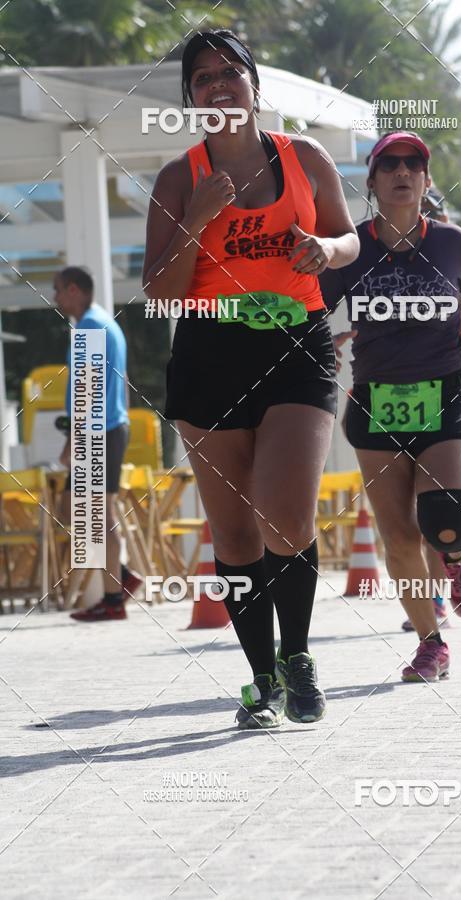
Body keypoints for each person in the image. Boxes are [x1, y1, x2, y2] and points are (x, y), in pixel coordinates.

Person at [143, 30, 359, 728]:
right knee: (234, 538)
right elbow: (162, 292)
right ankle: (259, 678)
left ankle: (297, 658)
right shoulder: (180, 178)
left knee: (285, 514)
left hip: (296, 346)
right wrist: (198, 221)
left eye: (230, 71)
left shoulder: (307, 157)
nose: (218, 84)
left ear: (253, 84)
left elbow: (349, 237)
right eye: (202, 77)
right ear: (191, 98)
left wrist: (325, 248)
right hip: (209, 356)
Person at [320, 132, 461, 683]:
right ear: (371, 181)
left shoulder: (451, 243)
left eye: (413, 165)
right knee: (397, 537)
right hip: (375, 401)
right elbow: (311, 305)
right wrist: (321, 342)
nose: (402, 172)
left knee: (442, 524)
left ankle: (459, 554)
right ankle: (430, 643)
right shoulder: (352, 247)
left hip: (442, 391)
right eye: (389, 164)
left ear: (425, 179)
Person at [399, 182, 461, 633]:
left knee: (434, 517)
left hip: (447, 405)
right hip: (391, 407)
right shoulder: (394, 271)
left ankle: (437, 597)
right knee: (407, 522)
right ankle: (450, 575)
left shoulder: (455, 275)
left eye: (434, 215)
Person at [53, 266, 139, 622]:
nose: (55, 297)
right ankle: (121, 579)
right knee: (80, 512)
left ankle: (113, 598)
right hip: (109, 428)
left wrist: (74, 442)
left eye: (57, 290)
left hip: (98, 432)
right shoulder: (106, 322)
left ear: (74, 289)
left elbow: (86, 391)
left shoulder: (90, 326)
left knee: (94, 517)